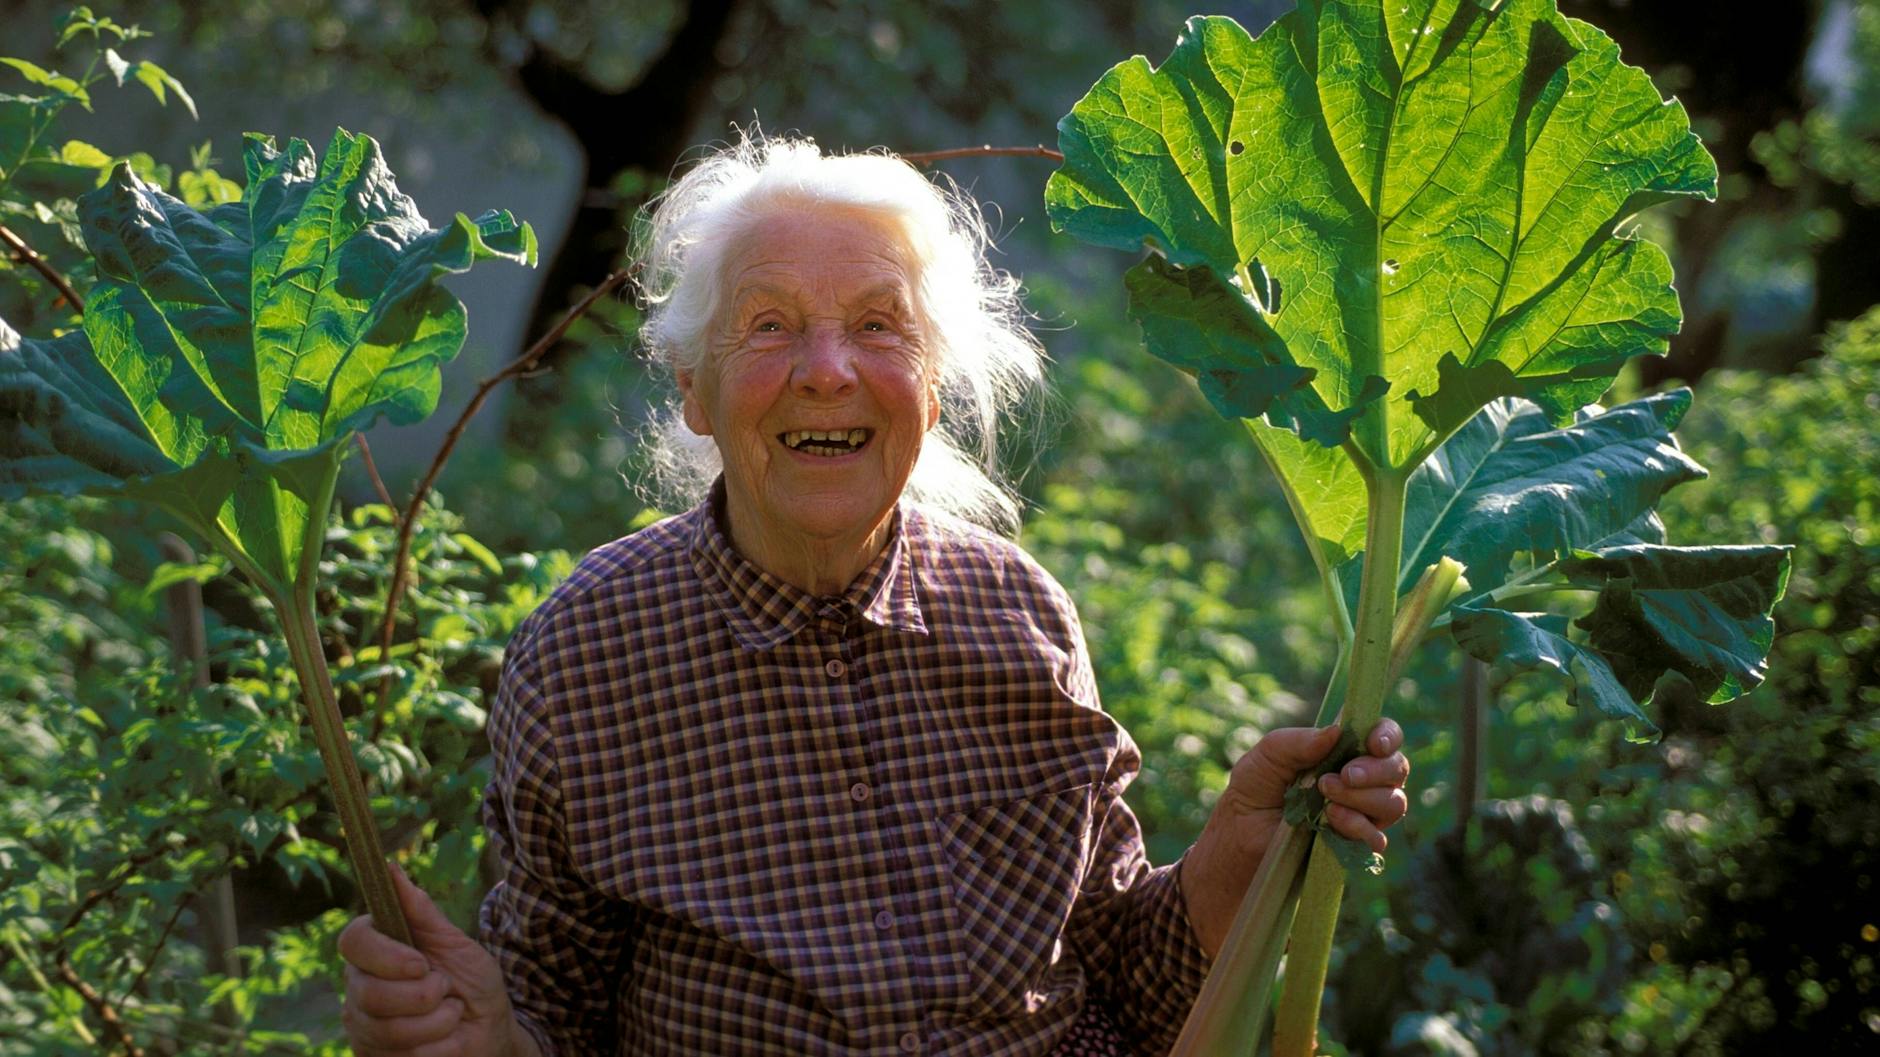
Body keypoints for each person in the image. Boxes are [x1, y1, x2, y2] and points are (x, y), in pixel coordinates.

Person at [338, 134, 1411, 1057]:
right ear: (693, 391)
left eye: (876, 325)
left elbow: (1127, 980)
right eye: (767, 325)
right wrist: (483, 1034)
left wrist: (1242, 836)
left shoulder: (1018, 615)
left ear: (932, 391)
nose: (826, 369)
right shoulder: (591, 649)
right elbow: (551, 1019)